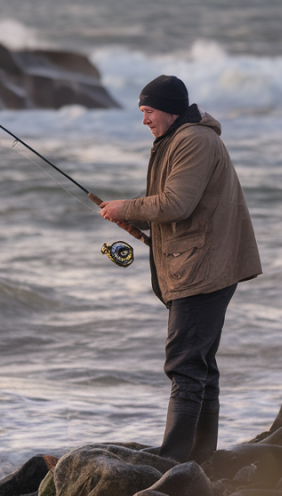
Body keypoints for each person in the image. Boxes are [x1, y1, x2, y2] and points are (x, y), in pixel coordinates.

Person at [99, 75, 261, 462]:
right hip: (205, 263)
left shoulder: (193, 140)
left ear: (170, 109)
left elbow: (176, 204)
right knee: (200, 364)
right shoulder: (181, 138)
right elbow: (182, 209)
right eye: (142, 112)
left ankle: (174, 459)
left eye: (148, 111)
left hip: (204, 269)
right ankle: (199, 456)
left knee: (185, 365)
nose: (144, 121)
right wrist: (139, 222)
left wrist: (127, 208)